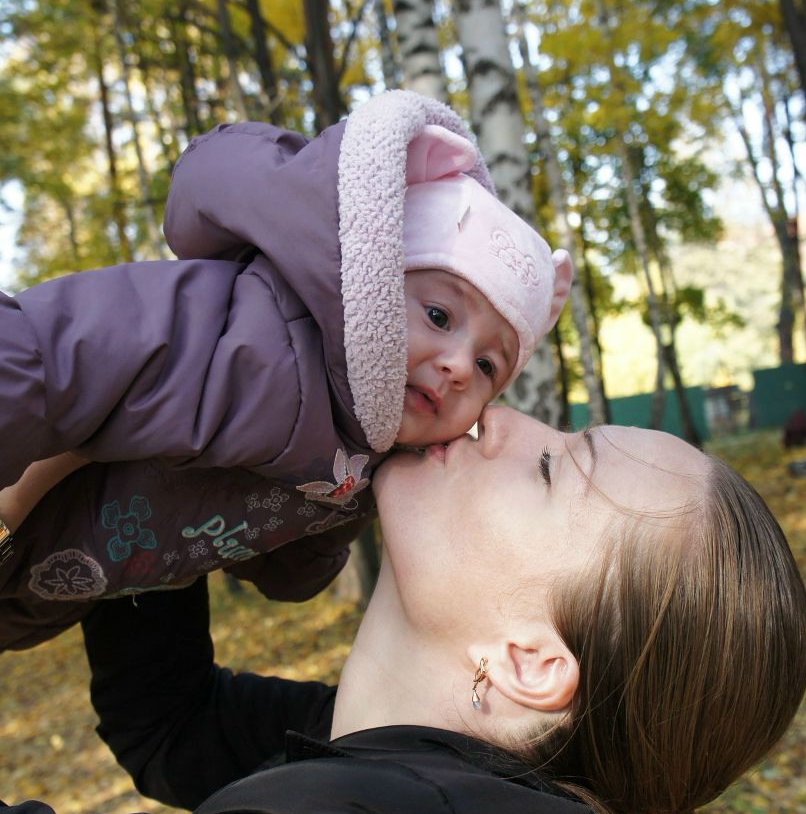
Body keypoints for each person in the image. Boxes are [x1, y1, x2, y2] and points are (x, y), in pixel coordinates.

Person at [0, 407, 806, 814]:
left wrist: (24, 476)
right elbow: (174, 722)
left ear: (530, 662)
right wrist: (149, 463)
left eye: (548, 469)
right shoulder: (453, 812)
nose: (497, 416)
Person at [0, 89, 571, 648]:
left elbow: (281, 567)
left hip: (46, 593)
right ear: (370, 279)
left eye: (488, 365)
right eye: (440, 315)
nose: (457, 369)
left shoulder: (374, 452)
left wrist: (321, 546)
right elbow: (53, 353)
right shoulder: (256, 337)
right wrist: (12, 505)